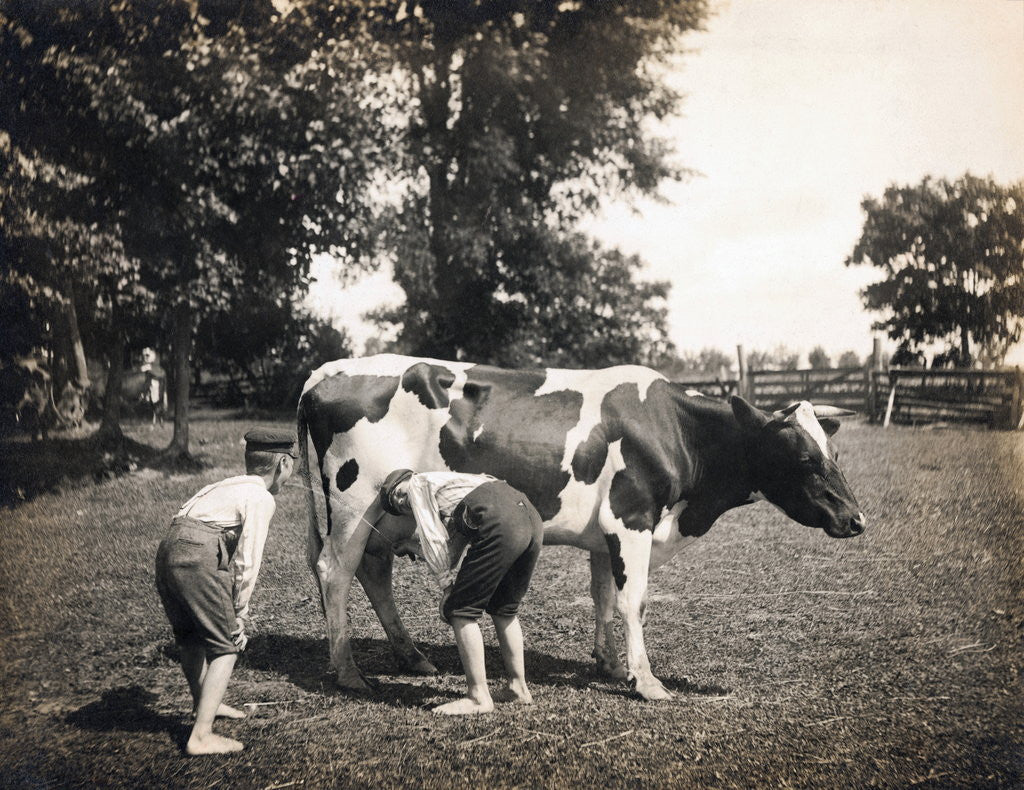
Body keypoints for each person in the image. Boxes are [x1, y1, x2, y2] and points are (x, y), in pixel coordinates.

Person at [154, 428, 296, 755]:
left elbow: (182, 520)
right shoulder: (261, 497)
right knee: (226, 648)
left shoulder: (224, 485)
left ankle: (204, 703)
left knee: (190, 637)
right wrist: (239, 615)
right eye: (290, 469)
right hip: (198, 554)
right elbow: (249, 559)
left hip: (168, 551)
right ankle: (201, 736)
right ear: (283, 464)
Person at [377, 469, 544, 715]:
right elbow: (451, 551)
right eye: (398, 505)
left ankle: (478, 697)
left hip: (500, 520)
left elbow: (435, 545)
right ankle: (517, 688)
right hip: (529, 516)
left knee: (460, 611)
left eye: (399, 494)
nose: (403, 502)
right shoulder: (459, 486)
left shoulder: (419, 484)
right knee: (503, 608)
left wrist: (447, 589)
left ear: (407, 480)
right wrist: (413, 546)